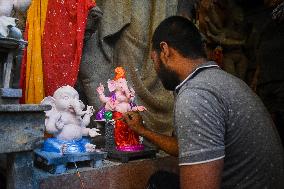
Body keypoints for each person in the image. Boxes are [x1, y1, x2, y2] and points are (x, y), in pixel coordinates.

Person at [123, 16, 284, 189]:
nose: (155, 69)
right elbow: (189, 145)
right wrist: (143, 131)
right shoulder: (224, 81)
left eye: (154, 60)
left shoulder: (196, 95)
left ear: (165, 50)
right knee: (161, 180)